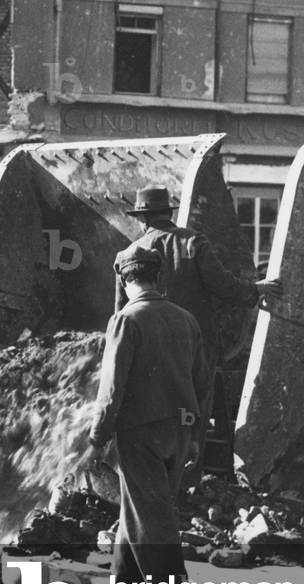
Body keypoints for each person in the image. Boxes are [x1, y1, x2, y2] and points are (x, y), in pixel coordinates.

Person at [116, 185, 284, 459]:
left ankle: (160, 469)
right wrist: (255, 290)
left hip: (150, 348)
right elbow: (223, 285)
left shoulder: (128, 255)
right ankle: (189, 475)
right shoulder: (193, 242)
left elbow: (120, 311)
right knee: (194, 409)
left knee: (157, 407)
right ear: (167, 213)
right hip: (197, 343)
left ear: (142, 219)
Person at [89, 244, 210, 584]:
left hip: (140, 434)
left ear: (126, 281)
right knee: (140, 511)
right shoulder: (186, 319)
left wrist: (97, 438)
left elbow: (112, 388)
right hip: (179, 432)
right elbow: (202, 383)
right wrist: (194, 437)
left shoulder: (127, 320)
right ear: (157, 278)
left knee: (153, 520)